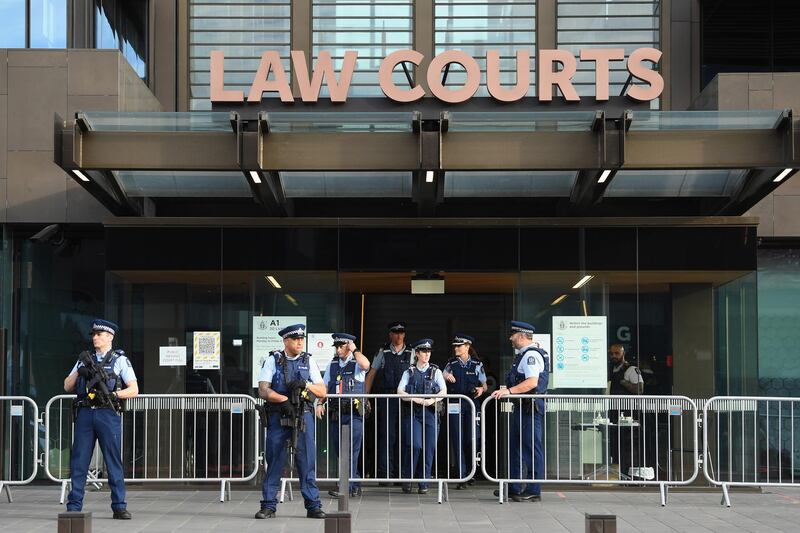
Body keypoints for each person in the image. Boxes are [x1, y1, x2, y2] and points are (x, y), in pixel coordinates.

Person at [63, 319, 138, 519]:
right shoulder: (84, 359)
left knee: (113, 461)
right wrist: (79, 372)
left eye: (99, 334)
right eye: (94, 334)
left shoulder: (120, 359)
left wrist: (114, 396)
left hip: (107, 413)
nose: (95, 337)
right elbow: (67, 386)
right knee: (79, 461)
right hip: (86, 413)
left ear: (110, 337)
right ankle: (74, 506)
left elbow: (134, 390)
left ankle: (119, 506)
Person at [256, 324, 327, 519]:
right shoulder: (273, 360)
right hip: (279, 416)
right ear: (285, 341)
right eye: (295, 339)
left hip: (303, 415)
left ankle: (313, 505)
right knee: (275, 460)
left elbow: (323, 392)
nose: (299, 342)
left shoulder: (308, 361)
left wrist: (306, 384)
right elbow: (263, 390)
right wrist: (283, 400)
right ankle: (269, 505)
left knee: (306, 461)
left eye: (301, 339)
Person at [491, 320, 549, 502]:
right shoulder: (523, 355)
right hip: (522, 408)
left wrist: (508, 391)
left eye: (513, 334)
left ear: (522, 336)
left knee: (531, 448)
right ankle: (514, 486)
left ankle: (533, 489)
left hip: (529, 409)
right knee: (516, 448)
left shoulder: (531, 356)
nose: (510, 338)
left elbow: (532, 382)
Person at [320, 333, 370, 498]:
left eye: (341, 346)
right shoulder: (333, 365)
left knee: (351, 450)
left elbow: (366, 364)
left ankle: (346, 488)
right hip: (336, 413)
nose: (338, 349)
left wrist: (355, 350)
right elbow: (325, 387)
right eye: (337, 346)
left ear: (348, 346)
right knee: (340, 450)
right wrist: (320, 403)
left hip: (354, 413)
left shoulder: (357, 363)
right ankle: (354, 483)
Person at [397, 338, 447, 494]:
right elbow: (400, 391)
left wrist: (433, 399)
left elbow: (443, 391)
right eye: (424, 352)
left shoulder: (436, 371)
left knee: (429, 448)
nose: (427, 354)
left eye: (429, 352)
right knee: (414, 445)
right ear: (417, 353)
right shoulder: (409, 372)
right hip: (413, 413)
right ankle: (408, 479)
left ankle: (424, 481)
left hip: (431, 414)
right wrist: (416, 399)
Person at [365, 321, 413, 483]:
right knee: (387, 436)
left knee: (406, 436)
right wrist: (366, 397)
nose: (399, 335)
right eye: (395, 332)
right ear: (390, 334)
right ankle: (386, 473)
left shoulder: (413, 352)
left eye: (401, 332)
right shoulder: (383, 352)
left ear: (404, 334)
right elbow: (371, 373)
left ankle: (403, 474)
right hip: (388, 399)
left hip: (407, 400)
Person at [442, 333, 486, 489]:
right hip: (455, 404)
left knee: (472, 439)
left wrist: (481, 389)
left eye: (459, 346)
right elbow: (441, 375)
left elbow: (484, 384)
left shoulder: (477, 364)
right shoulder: (450, 364)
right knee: (457, 439)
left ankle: (471, 472)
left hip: (472, 404)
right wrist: (446, 375)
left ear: (467, 347)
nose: (456, 348)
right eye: (455, 346)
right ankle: (462, 476)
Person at [607, 344, 644, 479]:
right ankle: (618, 474)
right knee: (615, 445)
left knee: (628, 446)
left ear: (623, 354)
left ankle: (630, 476)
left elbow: (640, 389)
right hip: (613, 413)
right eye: (611, 354)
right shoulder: (610, 369)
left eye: (617, 353)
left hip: (628, 414)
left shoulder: (631, 369)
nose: (614, 356)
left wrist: (623, 382)